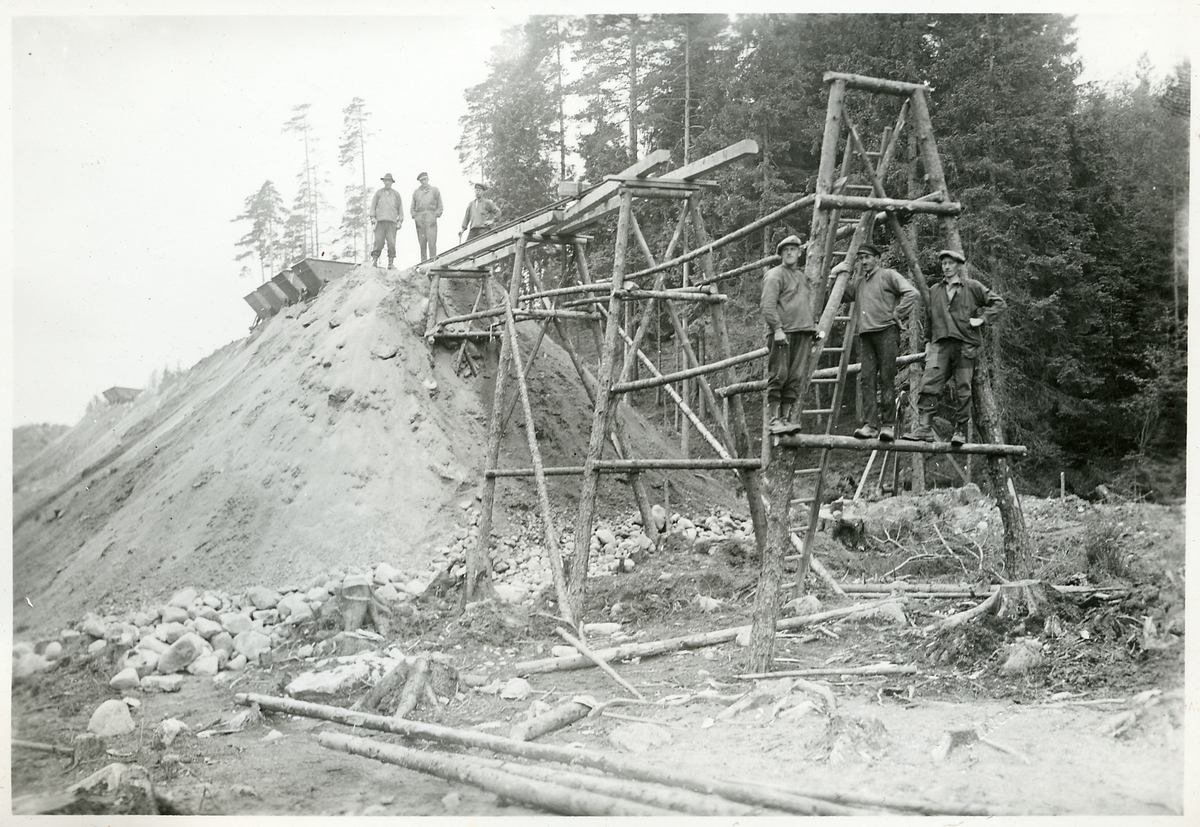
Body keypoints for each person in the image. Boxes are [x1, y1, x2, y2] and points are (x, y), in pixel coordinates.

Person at [904, 248, 1006, 445]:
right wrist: (927, 341)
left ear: (959, 266)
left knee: (963, 389)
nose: (947, 267)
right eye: (944, 263)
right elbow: (929, 317)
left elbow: (999, 304)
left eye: (950, 263)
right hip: (940, 345)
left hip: (965, 345)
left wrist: (982, 319)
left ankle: (960, 431)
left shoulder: (972, 287)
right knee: (929, 383)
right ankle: (924, 428)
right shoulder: (935, 290)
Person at [836, 244, 919, 441]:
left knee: (886, 378)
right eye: (861, 258)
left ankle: (888, 425)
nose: (864, 262)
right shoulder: (859, 283)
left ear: (877, 258)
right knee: (866, 380)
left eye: (867, 257)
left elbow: (912, 293)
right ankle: (870, 426)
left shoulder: (888, 275)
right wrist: (835, 274)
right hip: (866, 336)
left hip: (887, 332)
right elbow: (839, 295)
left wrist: (898, 313)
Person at [760, 235, 818, 433]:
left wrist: (812, 327)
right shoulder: (775, 275)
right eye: (786, 250)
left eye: (793, 249)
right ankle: (774, 420)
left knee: (795, 377)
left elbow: (806, 303)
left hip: (802, 333)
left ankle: (785, 419)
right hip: (783, 333)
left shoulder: (802, 277)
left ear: (800, 252)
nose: (790, 253)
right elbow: (767, 305)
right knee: (779, 375)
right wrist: (777, 329)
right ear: (781, 254)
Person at [370, 173, 404, 269]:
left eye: (389, 181)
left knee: (391, 243)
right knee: (378, 242)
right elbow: (373, 206)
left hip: (392, 223)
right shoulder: (378, 193)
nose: (387, 182)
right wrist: (372, 217)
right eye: (386, 181)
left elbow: (400, 209)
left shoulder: (396, 195)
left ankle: (390, 263)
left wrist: (400, 221)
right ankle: (374, 261)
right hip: (380, 222)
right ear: (383, 182)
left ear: (392, 182)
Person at [410, 172, 443, 260]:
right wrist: (415, 217)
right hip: (420, 220)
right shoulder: (416, 192)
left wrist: (435, 215)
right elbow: (412, 208)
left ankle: (433, 262)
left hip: (430, 218)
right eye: (421, 180)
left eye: (424, 179)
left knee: (432, 242)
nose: (423, 182)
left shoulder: (434, 190)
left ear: (428, 179)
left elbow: (440, 206)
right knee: (422, 243)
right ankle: (423, 263)